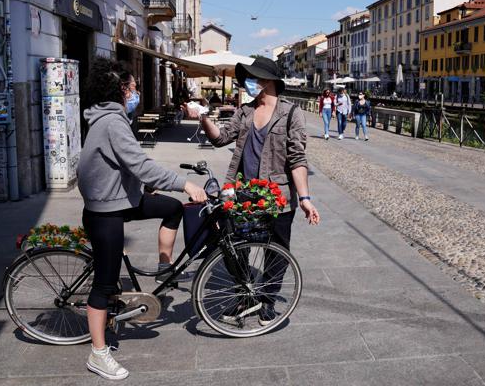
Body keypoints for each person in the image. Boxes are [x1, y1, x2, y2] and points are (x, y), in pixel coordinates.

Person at [77, 57, 207, 381]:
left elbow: (123, 165)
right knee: (105, 284)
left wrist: (145, 186)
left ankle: (165, 269)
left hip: (120, 198)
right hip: (105, 208)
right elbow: (139, 163)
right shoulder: (112, 122)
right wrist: (184, 183)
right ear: (121, 88)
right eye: (134, 86)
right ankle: (98, 353)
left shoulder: (111, 118)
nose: (136, 91)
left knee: (172, 208)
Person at [183, 56, 320, 325]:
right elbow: (220, 138)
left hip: (278, 195)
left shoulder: (291, 113)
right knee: (237, 248)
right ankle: (246, 297)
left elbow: (297, 159)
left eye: (253, 78)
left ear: (267, 81)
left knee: (277, 249)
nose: (247, 83)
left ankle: (267, 301)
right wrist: (202, 118)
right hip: (243, 193)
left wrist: (304, 198)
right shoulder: (245, 112)